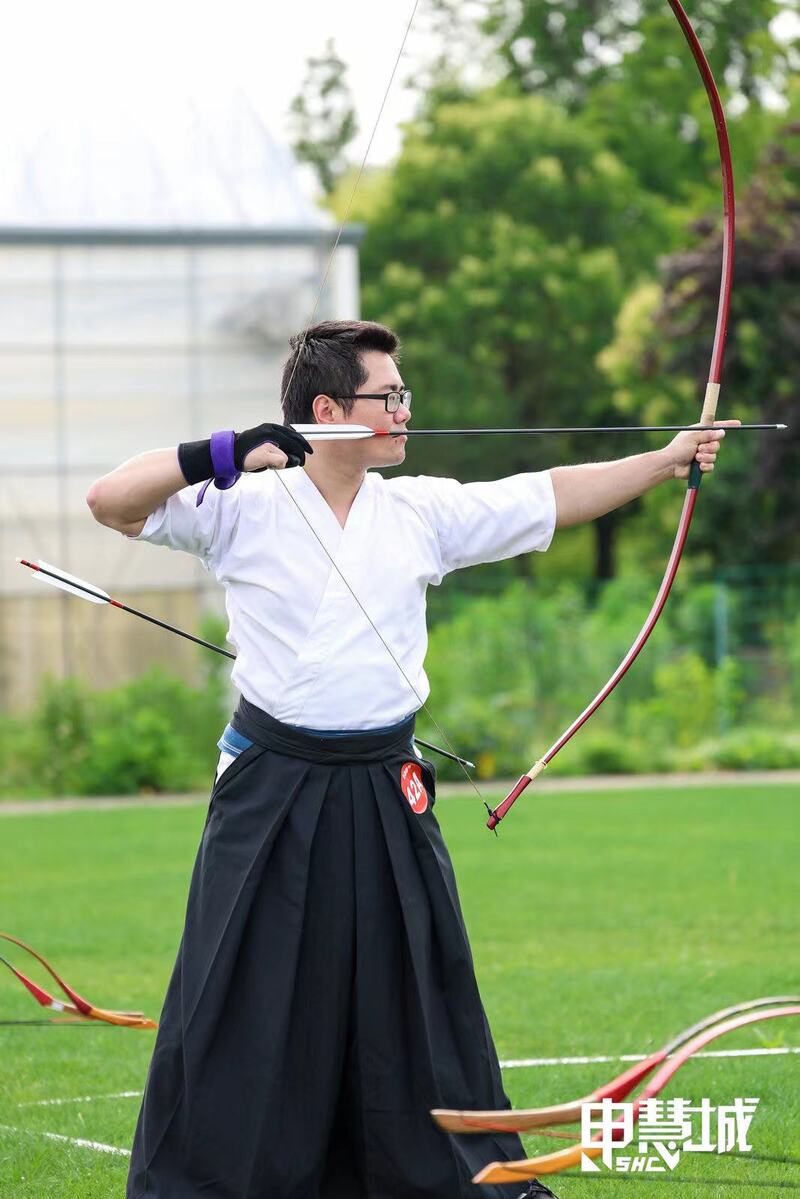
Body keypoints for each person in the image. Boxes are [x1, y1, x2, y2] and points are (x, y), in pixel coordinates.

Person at [87, 319, 732, 1199]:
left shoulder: (418, 510)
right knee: (245, 987)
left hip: (388, 788)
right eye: (387, 396)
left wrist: (663, 460)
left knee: (418, 993)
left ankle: (439, 1174)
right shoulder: (239, 501)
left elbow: (546, 495)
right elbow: (111, 500)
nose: (404, 411)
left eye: (404, 396)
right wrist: (227, 449)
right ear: (327, 410)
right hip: (271, 785)